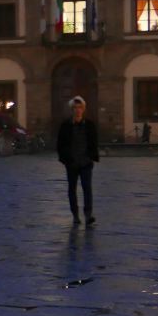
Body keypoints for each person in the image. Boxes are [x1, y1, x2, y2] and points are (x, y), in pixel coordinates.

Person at [56, 95, 99, 226]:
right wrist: (66, 160)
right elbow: (60, 144)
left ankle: (88, 215)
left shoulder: (90, 125)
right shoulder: (65, 125)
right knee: (72, 189)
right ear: (72, 109)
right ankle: (75, 215)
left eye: (80, 107)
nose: (77, 110)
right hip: (72, 162)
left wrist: (91, 157)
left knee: (87, 188)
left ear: (83, 109)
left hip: (86, 162)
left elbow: (94, 142)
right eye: (75, 108)